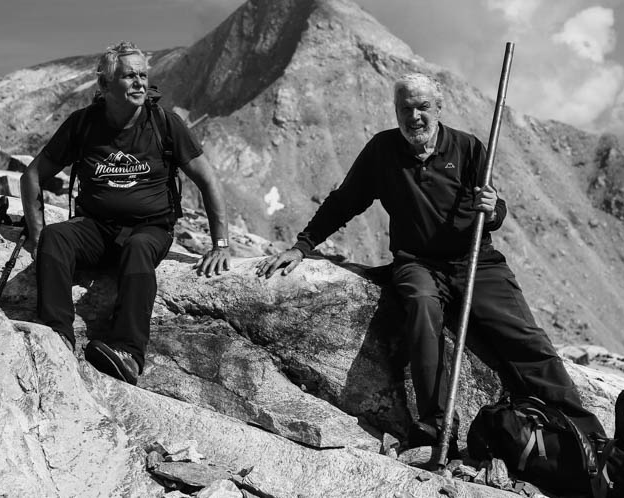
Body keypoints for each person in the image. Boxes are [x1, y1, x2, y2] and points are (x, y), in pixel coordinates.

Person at [257, 72, 605, 449]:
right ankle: (437, 425)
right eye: (405, 108)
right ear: (396, 111)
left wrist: (493, 210)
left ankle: (586, 433)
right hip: (416, 262)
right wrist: (302, 246)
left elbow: (494, 209)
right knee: (422, 309)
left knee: (523, 335)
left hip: (476, 260)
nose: (414, 116)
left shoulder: (468, 148)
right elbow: (345, 201)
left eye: (423, 107)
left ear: (439, 108)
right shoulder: (382, 151)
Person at [21, 41, 230, 385]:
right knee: (56, 237)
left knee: (138, 248)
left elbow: (208, 181)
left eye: (143, 75)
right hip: (95, 228)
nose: (139, 83)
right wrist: (36, 233)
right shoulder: (83, 124)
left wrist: (220, 244)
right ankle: (57, 337)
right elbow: (32, 175)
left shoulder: (164, 123)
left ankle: (128, 353)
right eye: (129, 76)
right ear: (105, 84)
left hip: (150, 229)